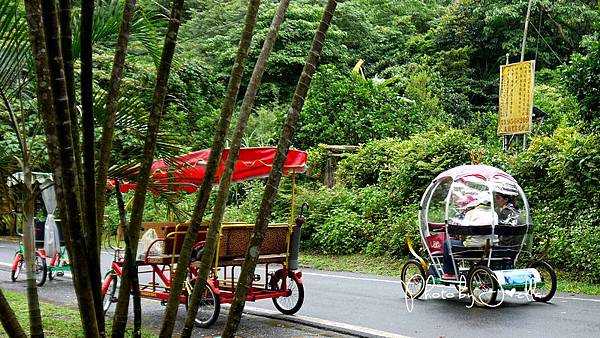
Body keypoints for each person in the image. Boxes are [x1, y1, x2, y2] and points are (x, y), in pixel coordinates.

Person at [442, 191, 498, 279]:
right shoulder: (494, 214)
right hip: (491, 247)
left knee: (447, 243)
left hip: (472, 247)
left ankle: (450, 273)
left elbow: (463, 231)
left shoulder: (471, 213)